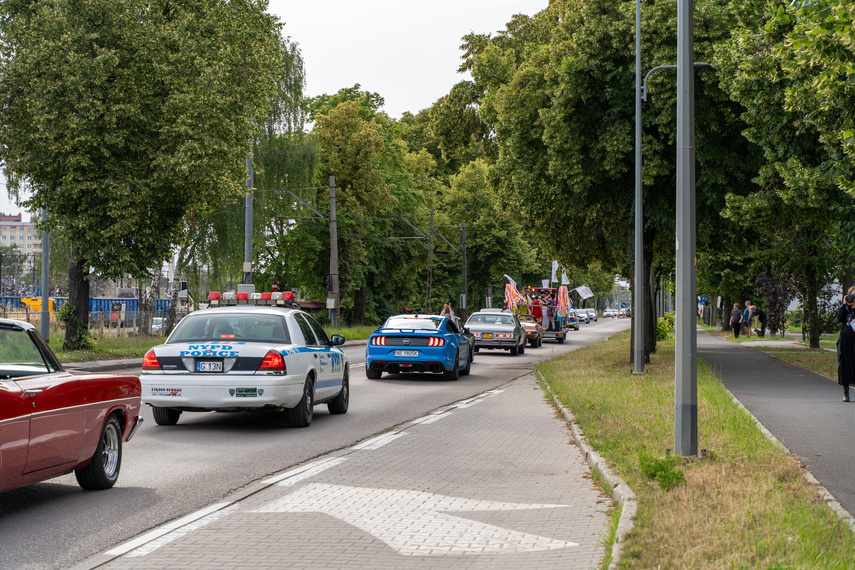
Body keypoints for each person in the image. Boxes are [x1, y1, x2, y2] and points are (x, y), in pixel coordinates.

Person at [836, 288, 855, 402]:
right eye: (851, 296)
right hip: (845, 341)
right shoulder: (845, 308)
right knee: (844, 365)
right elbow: (839, 318)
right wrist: (844, 305)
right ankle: (846, 392)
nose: (852, 298)